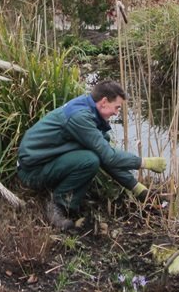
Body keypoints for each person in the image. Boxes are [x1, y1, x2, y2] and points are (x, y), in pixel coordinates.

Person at [17, 80, 167, 230]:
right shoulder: (80, 118)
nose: (116, 113)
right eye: (117, 107)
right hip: (32, 171)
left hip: (47, 161)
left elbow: (107, 158)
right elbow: (110, 157)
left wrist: (139, 190)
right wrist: (145, 163)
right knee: (89, 160)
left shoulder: (90, 112)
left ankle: (70, 204)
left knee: (93, 157)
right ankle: (58, 206)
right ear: (103, 102)